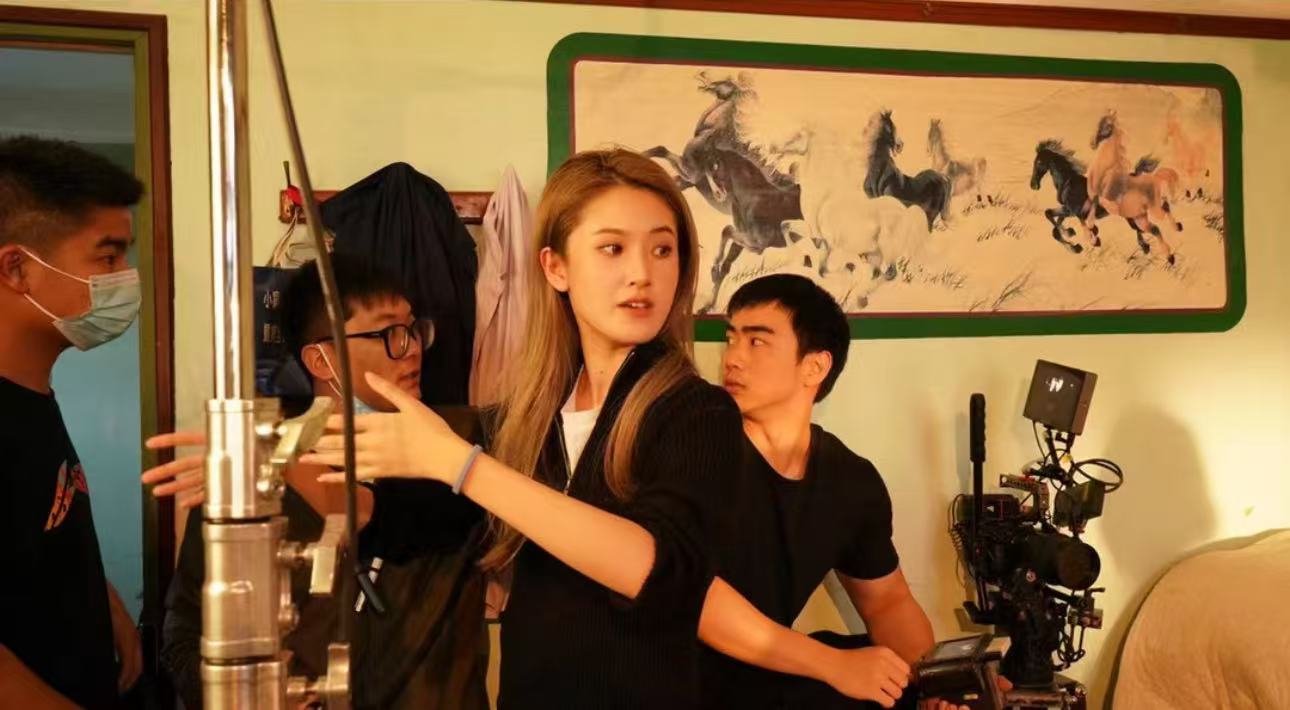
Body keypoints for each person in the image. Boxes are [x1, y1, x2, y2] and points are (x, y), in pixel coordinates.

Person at [302, 148, 749, 709]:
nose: (642, 273)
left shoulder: (699, 414)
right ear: (555, 268)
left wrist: (460, 464)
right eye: (613, 248)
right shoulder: (530, 417)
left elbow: (659, 570)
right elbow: (402, 522)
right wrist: (267, 462)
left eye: (663, 249)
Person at [144, 258, 490, 709]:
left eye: (413, 329)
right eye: (389, 333)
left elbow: (408, 513)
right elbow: (186, 633)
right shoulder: (250, 476)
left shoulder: (460, 443)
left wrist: (286, 461)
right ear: (320, 359)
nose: (411, 349)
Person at [701, 273, 1000, 710]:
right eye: (731, 340)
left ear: (815, 367)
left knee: (894, 676)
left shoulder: (849, 480)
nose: (732, 359)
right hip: (670, 671)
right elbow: (688, 594)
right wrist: (832, 664)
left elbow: (888, 604)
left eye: (756, 342)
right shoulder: (695, 444)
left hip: (760, 672)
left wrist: (934, 687)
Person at [0, 135, 145, 708]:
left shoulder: (32, 396)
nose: (126, 279)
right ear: (17, 269)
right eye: (107, 258)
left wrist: (101, 598)